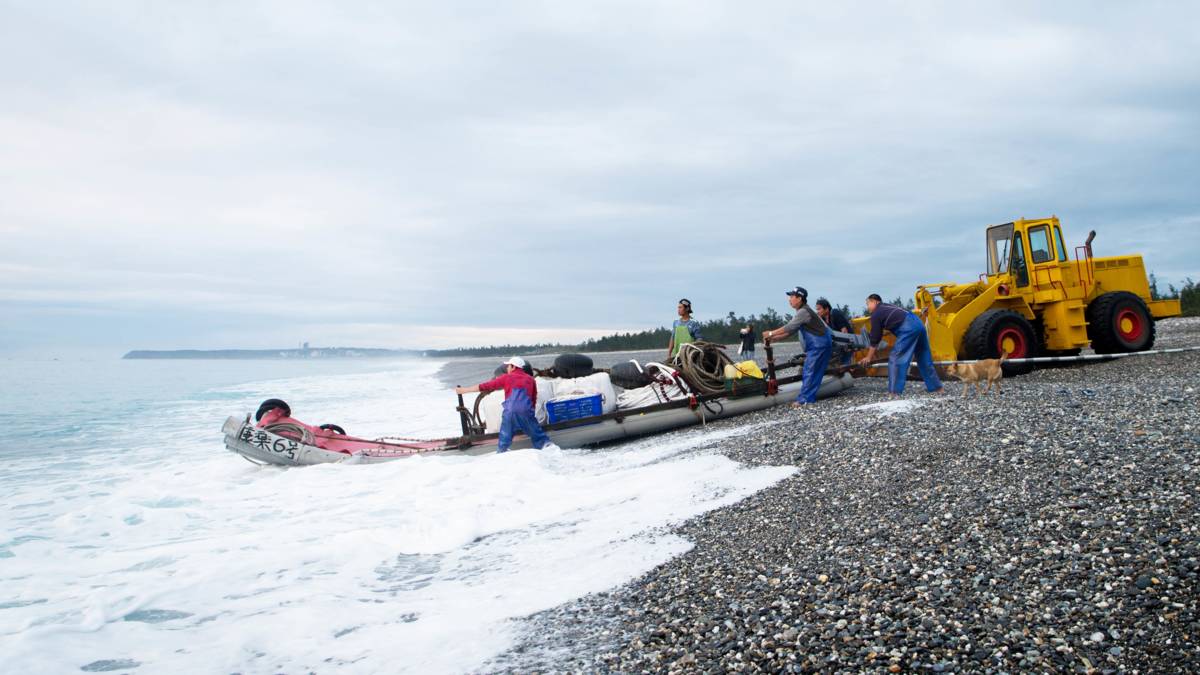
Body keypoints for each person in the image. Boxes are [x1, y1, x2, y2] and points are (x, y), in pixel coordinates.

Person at [455, 356, 559, 453]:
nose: (507, 368)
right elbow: (533, 398)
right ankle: (552, 451)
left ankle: (502, 455)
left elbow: (484, 386)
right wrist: (529, 415)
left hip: (509, 413)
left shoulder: (506, 378)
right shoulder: (531, 380)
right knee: (539, 437)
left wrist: (463, 390)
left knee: (504, 441)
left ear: (513, 367)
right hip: (526, 412)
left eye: (508, 366)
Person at [858, 293, 943, 396]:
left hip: (908, 327)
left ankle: (894, 391)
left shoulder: (876, 313)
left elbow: (875, 338)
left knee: (896, 358)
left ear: (874, 301)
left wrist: (868, 357)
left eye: (868, 304)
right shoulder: (889, 307)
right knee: (923, 357)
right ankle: (937, 388)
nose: (868, 308)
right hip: (918, 323)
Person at [762, 286, 832, 406]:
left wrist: (770, 333)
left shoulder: (803, 312)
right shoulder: (803, 311)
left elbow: (789, 326)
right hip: (822, 344)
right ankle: (808, 398)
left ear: (799, 298)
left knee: (809, 371)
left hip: (818, 345)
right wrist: (774, 338)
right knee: (815, 372)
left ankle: (804, 399)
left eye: (792, 297)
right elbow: (791, 331)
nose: (789, 299)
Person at [815, 298, 854, 365]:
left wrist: (846, 346)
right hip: (836, 344)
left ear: (826, 309)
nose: (817, 311)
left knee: (845, 366)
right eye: (817, 309)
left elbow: (844, 331)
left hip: (847, 342)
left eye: (819, 309)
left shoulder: (835, 313)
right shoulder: (822, 319)